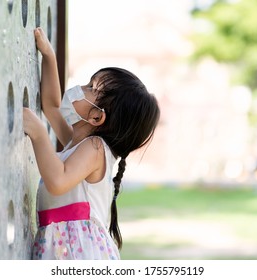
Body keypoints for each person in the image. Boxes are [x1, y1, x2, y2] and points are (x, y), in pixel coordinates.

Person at [23, 27, 160, 260]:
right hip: (63, 249)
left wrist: (38, 134)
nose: (80, 88)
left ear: (97, 116)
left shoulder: (95, 148)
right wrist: (48, 55)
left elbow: (58, 181)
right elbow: (52, 106)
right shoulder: (78, 143)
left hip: (80, 255)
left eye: (90, 88)